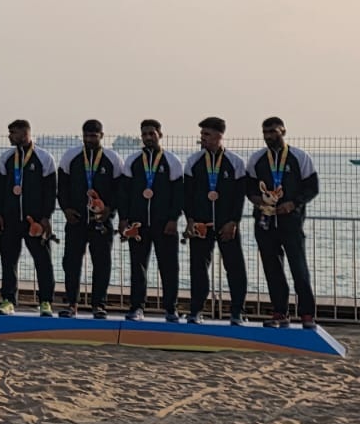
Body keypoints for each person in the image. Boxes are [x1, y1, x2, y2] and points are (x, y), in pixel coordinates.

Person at [244, 117, 320, 329]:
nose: (268, 136)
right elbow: (249, 187)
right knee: (272, 269)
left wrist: (293, 204)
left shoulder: (300, 157)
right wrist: (257, 200)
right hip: (264, 222)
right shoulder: (257, 159)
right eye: (265, 132)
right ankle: (280, 312)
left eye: (272, 131)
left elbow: (312, 187)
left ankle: (307, 314)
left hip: (291, 223)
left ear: (283, 131)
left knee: (299, 269)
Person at [182, 117, 249, 324]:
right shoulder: (193, 161)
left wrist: (234, 221)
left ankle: (237, 311)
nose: (202, 138)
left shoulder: (236, 162)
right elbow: (187, 195)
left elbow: (240, 196)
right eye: (202, 134)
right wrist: (191, 220)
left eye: (207, 134)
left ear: (219, 136)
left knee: (235, 267)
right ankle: (196, 310)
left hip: (226, 224)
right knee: (199, 267)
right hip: (202, 224)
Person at [56, 119, 125, 319]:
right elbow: (62, 188)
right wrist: (66, 209)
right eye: (86, 136)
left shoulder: (113, 159)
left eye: (94, 136)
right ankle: (71, 304)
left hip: (101, 221)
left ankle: (99, 305)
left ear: (102, 136)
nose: (89, 139)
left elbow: (120, 190)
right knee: (71, 262)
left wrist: (110, 210)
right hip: (76, 220)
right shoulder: (71, 157)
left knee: (102, 263)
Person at [118, 120, 184, 321]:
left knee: (169, 267)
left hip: (164, 224)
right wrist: (123, 219)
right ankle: (137, 307)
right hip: (138, 225)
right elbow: (124, 193)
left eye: (151, 133)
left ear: (160, 134)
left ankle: (170, 309)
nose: (148, 137)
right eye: (144, 134)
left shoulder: (172, 161)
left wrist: (173, 219)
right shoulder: (132, 161)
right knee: (138, 266)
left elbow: (179, 194)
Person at [0, 119, 57, 317]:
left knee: (43, 261)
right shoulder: (6, 158)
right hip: (11, 220)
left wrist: (46, 217)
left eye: (13, 132)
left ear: (25, 133)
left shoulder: (44, 158)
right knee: (8, 261)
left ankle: (45, 301)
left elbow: (50, 190)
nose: (9, 136)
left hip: (35, 222)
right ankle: (8, 300)